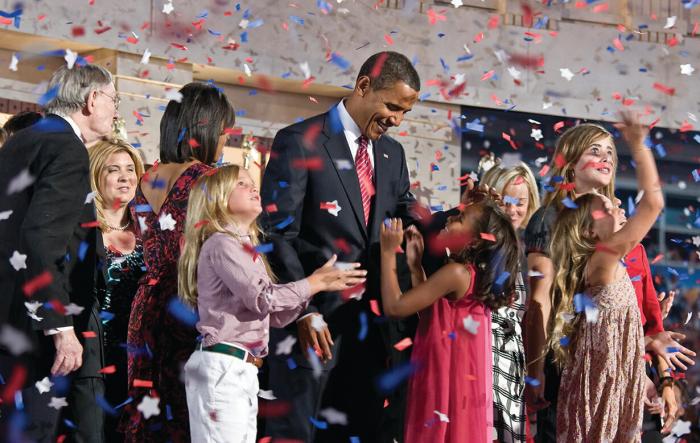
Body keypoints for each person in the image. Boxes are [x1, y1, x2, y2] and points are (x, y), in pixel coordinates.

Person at [261, 51, 421, 442]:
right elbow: (276, 235)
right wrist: (304, 309)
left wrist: (458, 219)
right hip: (312, 330)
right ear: (364, 86)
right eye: (392, 106)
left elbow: (406, 211)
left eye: (405, 112)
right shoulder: (299, 142)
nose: (396, 120)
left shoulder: (392, 153)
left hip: (369, 334)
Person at [523, 121, 696, 442]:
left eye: (610, 153)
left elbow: (643, 323)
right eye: (593, 150)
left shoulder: (624, 241)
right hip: (566, 368)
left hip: (618, 373)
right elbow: (540, 303)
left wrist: (657, 373)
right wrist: (534, 373)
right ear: (570, 163)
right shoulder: (550, 220)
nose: (605, 158)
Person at [177, 164, 366, 442]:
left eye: (252, 182)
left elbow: (274, 315)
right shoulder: (222, 244)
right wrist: (315, 282)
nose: (254, 187)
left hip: (241, 369)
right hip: (223, 368)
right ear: (219, 198)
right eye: (242, 183)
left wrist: (315, 289)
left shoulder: (244, 247)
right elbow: (263, 299)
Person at [0, 63, 118, 442]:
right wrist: (61, 325)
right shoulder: (67, 148)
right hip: (33, 325)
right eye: (115, 100)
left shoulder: (24, 139)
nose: (117, 110)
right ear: (92, 99)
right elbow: (42, 236)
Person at [121, 82, 236, 442]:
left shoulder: (145, 180)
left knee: (147, 410)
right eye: (223, 131)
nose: (224, 141)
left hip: (146, 310)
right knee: (189, 417)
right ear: (206, 128)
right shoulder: (209, 180)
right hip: (191, 307)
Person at [547, 111, 665, 441]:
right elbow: (653, 204)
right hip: (601, 382)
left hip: (610, 375)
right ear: (589, 230)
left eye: (609, 152)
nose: (616, 207)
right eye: (607, 208)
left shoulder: (603, 260)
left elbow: (618, 329)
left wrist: (647, 348)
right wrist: (639, 147)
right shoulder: (604, 259)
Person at [379, 191, 521, 443]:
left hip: (442, 379)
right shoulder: (470, 275)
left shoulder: (456, 273)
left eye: (461, 218)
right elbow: (433, 316)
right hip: (456, 378)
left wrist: (388, 253)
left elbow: (395, 307)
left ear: (476, 241)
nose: (450, 218)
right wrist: (415, 267)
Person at [87, 139, 145, 442]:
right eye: (114, 170)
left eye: (130, 169)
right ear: (96, 176)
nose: (125, 177)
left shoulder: (150, 233)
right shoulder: (84, 232)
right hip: (94, 359)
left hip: (139, 360)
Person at [481, 163, 540, 443]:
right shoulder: (479, 245)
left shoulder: (527, 250)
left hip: (513, 361)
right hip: (482, 354)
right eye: (506, 202)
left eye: (521, 203)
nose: (513, 210)